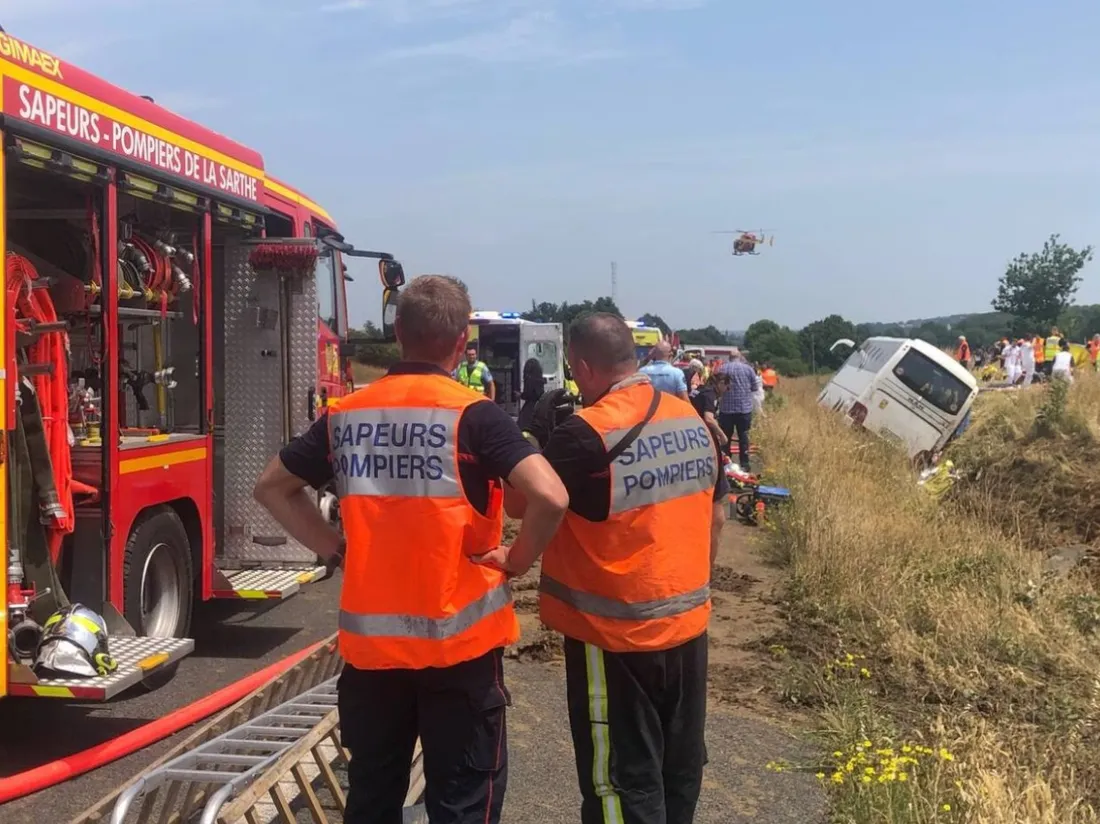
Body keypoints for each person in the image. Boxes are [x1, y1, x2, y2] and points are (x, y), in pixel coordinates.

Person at [252, 275, 569, 824]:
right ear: (461, 340)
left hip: (373, 658)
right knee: (461, 802)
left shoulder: (347, 415)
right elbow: (549, 496)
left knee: (373, 798)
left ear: (397, 332)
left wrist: (334, 547)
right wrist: (518, 562)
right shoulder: (474, 415)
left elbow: (272, 487)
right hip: (460, 653)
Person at [480, 313, 728, 824]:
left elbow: (523, 506)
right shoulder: (690, 420)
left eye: (574, 370)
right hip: (687, 624)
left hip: (614, 637)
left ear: (585, 367)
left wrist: (532, 444)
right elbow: (718, 515)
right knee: (677, 767)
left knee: (617, 779)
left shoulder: (586, 433)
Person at [717, 349, 760, 471]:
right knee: (743, 436)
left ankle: (726, 462)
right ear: (739, 356)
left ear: (729, 357)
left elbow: (716, 386)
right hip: (744, 409)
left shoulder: (721, 369)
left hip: (726, 409)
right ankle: (744, 464)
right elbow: (755, 387)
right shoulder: (748, 369)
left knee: (726, 437)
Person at [693, 369, 731, 453]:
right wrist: (722, 435)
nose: (726, 391)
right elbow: (709, 418)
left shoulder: (702, 389)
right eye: (727, 387)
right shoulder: (710, 394)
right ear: (721, 383)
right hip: (694, 430)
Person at [517, 356, 546, 434]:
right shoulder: (540, 380)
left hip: (530, 406)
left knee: (523, 425)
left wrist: (520, 395)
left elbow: (528, 394)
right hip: (538, 405)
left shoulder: (529, 379)